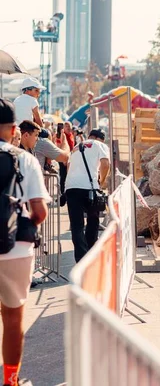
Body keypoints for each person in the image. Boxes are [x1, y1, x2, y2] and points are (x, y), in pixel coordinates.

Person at [0, 98, 50, 386]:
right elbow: (40, 212)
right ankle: (11, 380)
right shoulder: (26, 159)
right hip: (16, 249)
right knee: (13, 318)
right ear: (11, 128)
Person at [65, 128, 110, 262]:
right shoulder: (101, 145)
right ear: (101, 139)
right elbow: (105, 164)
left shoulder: (76, 147)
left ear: (89, 136)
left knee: (76, 224)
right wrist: (101, 181)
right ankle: (90, 253)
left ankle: (80, 258)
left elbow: (68, 165)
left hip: (71, 187)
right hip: (89, 188)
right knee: (93, 219)